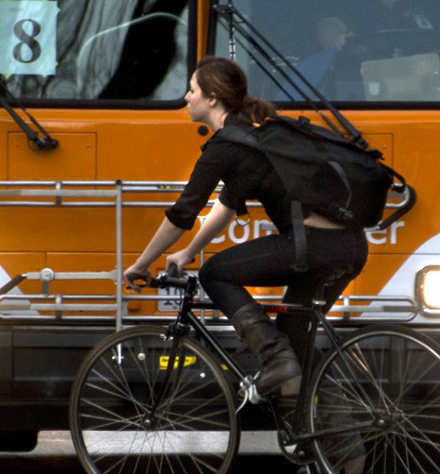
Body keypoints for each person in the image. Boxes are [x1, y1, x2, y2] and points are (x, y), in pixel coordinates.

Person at [124, 56, 369, 398]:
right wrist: (188, 251)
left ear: (212, 98)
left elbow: (182, 214)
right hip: (349, 246)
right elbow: (224, 208)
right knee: (295, 343)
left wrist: (141, 263)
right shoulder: (254, 135)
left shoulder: (227, 147)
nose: (186, 98)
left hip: (315, 245)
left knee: (214, 273)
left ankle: (273, 359)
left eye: (192, 90)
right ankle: (335, 444)